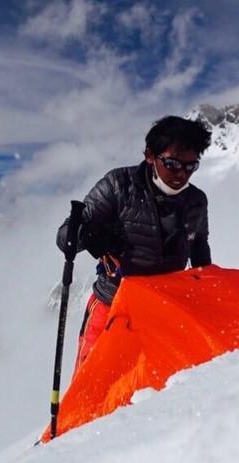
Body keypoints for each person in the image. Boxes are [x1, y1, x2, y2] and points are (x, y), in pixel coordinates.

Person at [57, 116, 213, 371]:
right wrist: (93, 237)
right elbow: (66, 238)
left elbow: (199, 252)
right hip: (111, 307)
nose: (181, 174)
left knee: (152, 390)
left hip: (164, 310)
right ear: (150, 156)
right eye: (172, 163)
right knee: (92, 386)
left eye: (190, 166)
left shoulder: (196, 201)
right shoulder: (118, 186)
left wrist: (206, 295)